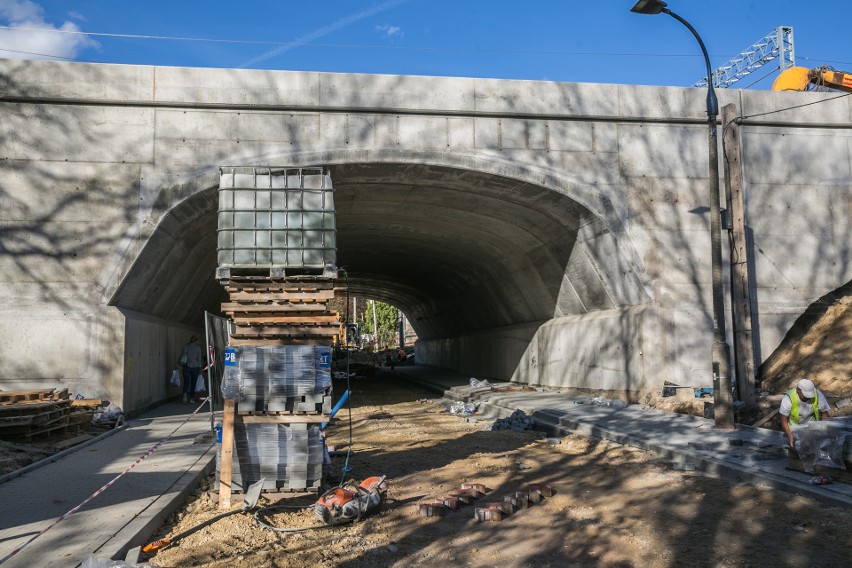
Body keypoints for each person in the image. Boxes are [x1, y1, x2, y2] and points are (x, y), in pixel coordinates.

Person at [779, 378, 830, 447]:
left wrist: (824, 430)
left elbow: (824, 413)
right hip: (795, 428)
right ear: (798, 390)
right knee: (798, 447)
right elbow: (783, 420)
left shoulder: (817, 394)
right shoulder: (788, 398)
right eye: (805, 395)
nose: (808, 398)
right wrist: (790, 435)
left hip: (812, 426)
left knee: (814, 446)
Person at [178, 335, 202, 404]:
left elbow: (181, 356)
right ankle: (191, 398)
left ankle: (185, 397)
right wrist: (200, 368)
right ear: (196, 340)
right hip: (195, 367)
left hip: (186, 366)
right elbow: (199, 359)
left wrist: (179, 363)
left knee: (186, 382)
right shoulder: (198, 348)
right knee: (193, 383)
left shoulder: (185, 347)